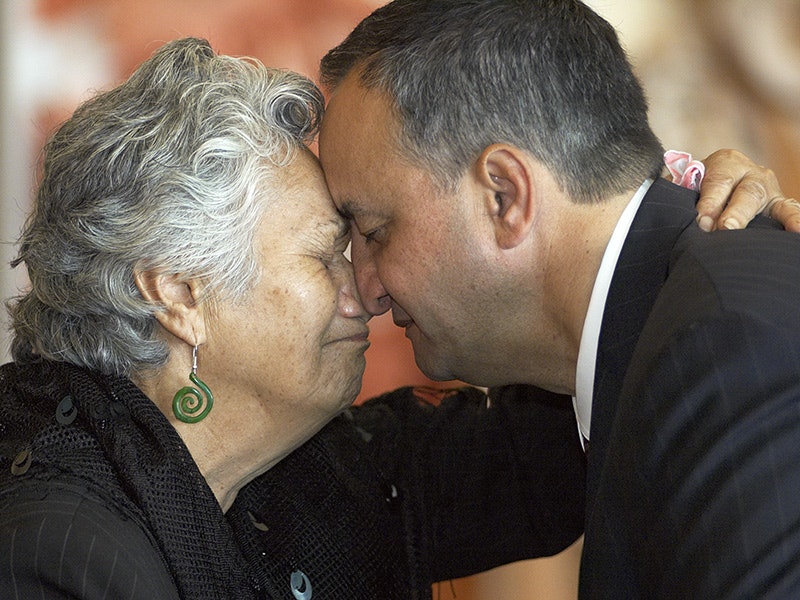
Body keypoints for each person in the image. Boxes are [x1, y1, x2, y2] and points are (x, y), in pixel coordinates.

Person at [0, 32, 789, 600]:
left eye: (368, 238)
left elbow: (598, 362)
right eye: (328, 255)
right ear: (178, 295)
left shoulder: (328, 473)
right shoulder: (56, 552)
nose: (367, 291)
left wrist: (682, 209)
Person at [317, 0, 800, 597]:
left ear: (504, 195)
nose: (366, 290)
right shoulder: (656, 326)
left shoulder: (723, 347)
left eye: (373, 231)